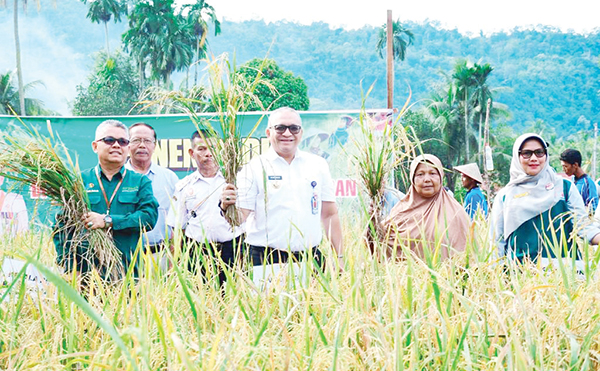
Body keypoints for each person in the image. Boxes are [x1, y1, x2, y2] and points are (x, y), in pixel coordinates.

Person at [220, 107, 344, 268]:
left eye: (294, 128)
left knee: (315, 295)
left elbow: (329, 215)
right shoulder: (254, 167)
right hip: (265, 260)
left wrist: (339, 256)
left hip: (309, 259)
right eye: (280, 128)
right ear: (268, 132)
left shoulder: (318, 165)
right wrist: (225, 206)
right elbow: (238, 218)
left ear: (301, 132)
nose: (287, 133)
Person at [53, 120, 159, 276]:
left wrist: (108, 221)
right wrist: (69, 267)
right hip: (86, 275)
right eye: (109, 140)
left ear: (128, 149)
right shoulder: (78, 182)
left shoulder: (140, 181)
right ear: (95, 146)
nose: (116, 145)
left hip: (128, 273)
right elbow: (61, 227)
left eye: (122, 142)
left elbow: (148, 218)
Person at [491, 134, 600, 262]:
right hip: (522, 275)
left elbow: (583, 227)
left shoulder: (564, 188)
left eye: (539, 152)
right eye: (526, 153)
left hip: (564, 274)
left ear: (546, 155)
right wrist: (498, 274)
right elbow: (496, 242)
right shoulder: (505, 196)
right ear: (517, 156)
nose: (533, 158)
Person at [167, 130, 244, 283]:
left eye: (213, 148)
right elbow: (177, 230)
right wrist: (173, 266)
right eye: (201, 149)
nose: (208, 154)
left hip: (232, 250)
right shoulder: (184, 186)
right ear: (192, 152)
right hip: (197, 253)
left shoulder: (235, 181)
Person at [383, 154, 469, 261]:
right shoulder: (400, 211)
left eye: (432, 173)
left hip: (446, 276)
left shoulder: (456, 213)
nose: (427, 179)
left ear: (441, 177)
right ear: (412, 179)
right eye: (420, 174)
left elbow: (470, 254)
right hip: (408, 277)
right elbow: (381, 244)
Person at [125, 122, 179, 252]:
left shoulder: (169, 178)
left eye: (147, 141)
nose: (142, 145)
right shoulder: (118, 177)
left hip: (161, 253)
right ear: (127, 145)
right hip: (126, 254)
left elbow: (178, 218)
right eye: (136, 140)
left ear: (154, 146)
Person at [560, 148, 598, 214]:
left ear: (575, 165)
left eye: (565, 166)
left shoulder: (587, 183)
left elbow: (593, 208)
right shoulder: (572, 181)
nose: (563, 169)